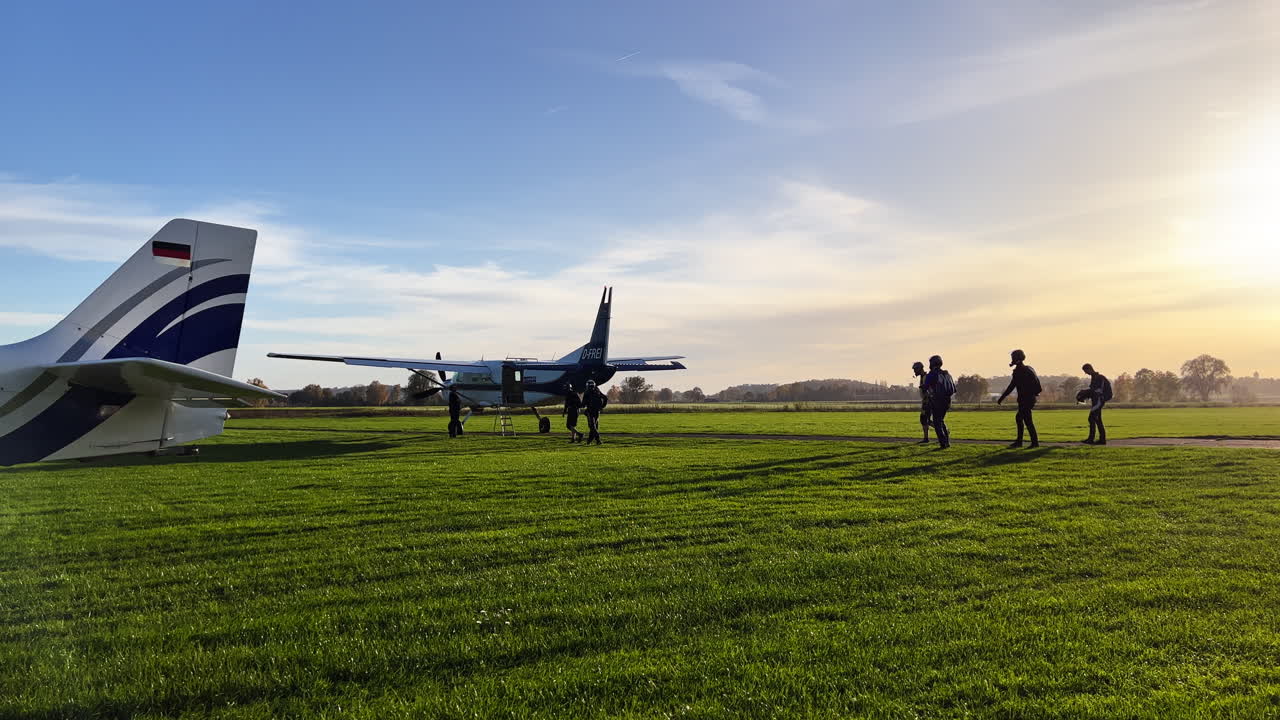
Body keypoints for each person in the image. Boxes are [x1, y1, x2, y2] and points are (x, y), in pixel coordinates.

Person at [996, 349, 1042, 448]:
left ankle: (1029, 442)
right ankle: (1025, 442)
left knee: (1025, 420)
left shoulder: (1019, 371)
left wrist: (1002, 398)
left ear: (1016, 358)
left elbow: (1011, 386)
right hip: (1030, 398)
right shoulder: (1029, 368)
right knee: (1022, 419)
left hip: (1025, 399)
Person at [922, 355, 954, 449]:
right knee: (941, 420)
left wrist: (924, 388)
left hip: (937, 401)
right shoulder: (946, 374)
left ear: (932, 364)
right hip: (947, 401)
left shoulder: (932, 374)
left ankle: (943, 443)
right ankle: (947, 442)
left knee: (936, 422)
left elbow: (926, 386)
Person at [1081, 363, 1111, 445]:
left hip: (1099, 401)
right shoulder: (1094, 377)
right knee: (1097, 419)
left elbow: (1097, 390)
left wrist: (1085, 392)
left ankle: (1093, 439)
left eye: (1085, 371)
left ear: (1089, 369)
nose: (1085, 373)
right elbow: (1093, 390)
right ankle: (1101, 439)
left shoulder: (1099, 378)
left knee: (1091, 418)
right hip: (1096, 401)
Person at [582, 379, 608, 445]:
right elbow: (605, 398)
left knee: (592, 427)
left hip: (590, 411)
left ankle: (598, 440)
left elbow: (583, 404)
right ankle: (589, 441)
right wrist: (602, 406)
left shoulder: (587, 392)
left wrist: (579, 405)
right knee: (594, 427)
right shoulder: (597, 391)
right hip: (597, 411)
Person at [912, 361, 931, 444]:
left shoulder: (925, 377)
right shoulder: (923, 377)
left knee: (923, 419)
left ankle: (926, 438)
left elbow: (928, 389)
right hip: (926, 400)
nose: (914, 372)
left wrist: (926, 400)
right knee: (926, 420)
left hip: (927, 401)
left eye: (915, 370)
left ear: (919, 369)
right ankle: (944, 430)